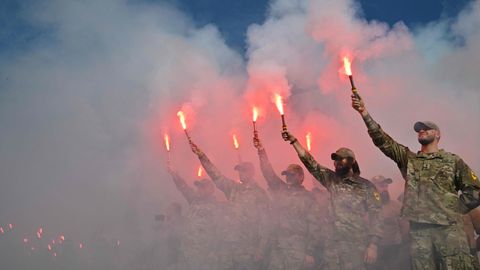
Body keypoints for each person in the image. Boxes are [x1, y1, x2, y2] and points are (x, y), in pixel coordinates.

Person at [352, 94, 480, 269]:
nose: (421, 130)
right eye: (419, 129)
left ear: (438, 134)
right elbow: (383, 141)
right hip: (419, 232)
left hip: (448, 230)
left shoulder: (452, 161)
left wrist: (453, 208)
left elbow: (475, 190)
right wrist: (364, 113)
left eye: (427, 128)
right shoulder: (409, 160)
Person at [282, 130, 383, 270]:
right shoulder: (331, 180)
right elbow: (311, 164)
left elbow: (376, 216)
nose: (337, 163)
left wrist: (373, 245)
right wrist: (294, 142)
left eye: (341, 159)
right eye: (335, 160)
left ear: (351, 162)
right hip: (332, 248)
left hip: (355, 247)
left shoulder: (366, 186)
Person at [190, 141, 270, 270]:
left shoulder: (259, 194)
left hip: (247, 247)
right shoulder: (233, 188)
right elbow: (216, 176)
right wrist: (201, 156)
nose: (240, 173)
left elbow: (265, 223)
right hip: (228, 244)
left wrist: (261, 249)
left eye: (243, 171)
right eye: (239, 171)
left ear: (251, 173)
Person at [253, 134, 323, 269]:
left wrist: (310, 252)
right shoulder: (281, 189)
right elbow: (268, 172)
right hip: (278, 247)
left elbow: (314, 227)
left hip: (298, 249)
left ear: (301, 177)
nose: (288, 177)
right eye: (286, 175)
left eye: (292, 175)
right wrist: (261, 150)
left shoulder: (309, 198)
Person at [167, 165, 222, 270]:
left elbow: (220, 232)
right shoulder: (194, 200)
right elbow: (184, 188)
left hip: (204, 255)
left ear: (210, 190)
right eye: (199, 187)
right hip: (187, 252)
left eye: (202, 187)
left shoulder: (216, 207)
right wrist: (175, 176)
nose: (199, 190)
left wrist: (213, 253)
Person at [370, 175, 410, 270]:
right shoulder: (367, 206)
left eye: (386, 186)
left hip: (394, 250)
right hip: (374, 250)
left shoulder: (396, 205)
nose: (385, 189)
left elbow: (405, 227)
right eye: (381, 186)